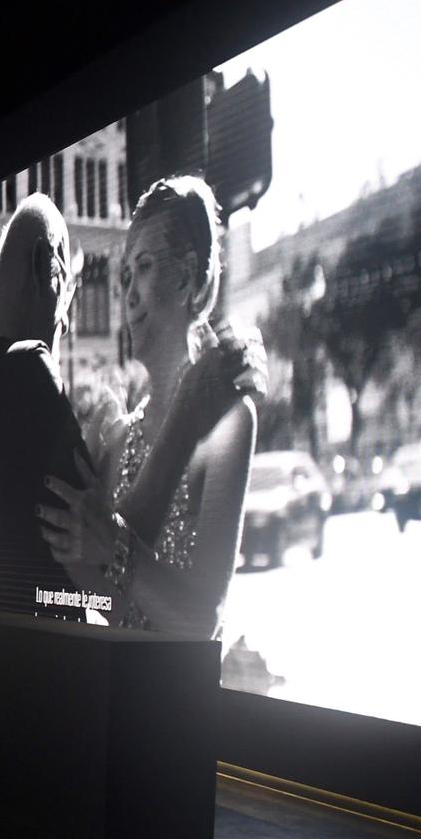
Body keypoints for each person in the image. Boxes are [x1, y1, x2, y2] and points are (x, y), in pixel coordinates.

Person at [38, 176, 261, 638]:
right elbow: (103, 605)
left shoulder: (230, 421)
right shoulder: (119, 436)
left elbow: (202, 621)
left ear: (184, 276)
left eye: (143, 267)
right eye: (125, 277)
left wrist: (111, 547)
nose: (129, 294)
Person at [0, 194, 94, 619]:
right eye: (71, 283)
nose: (65, 316)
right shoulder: (30, 368)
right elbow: (103, 542)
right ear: (51, 268)